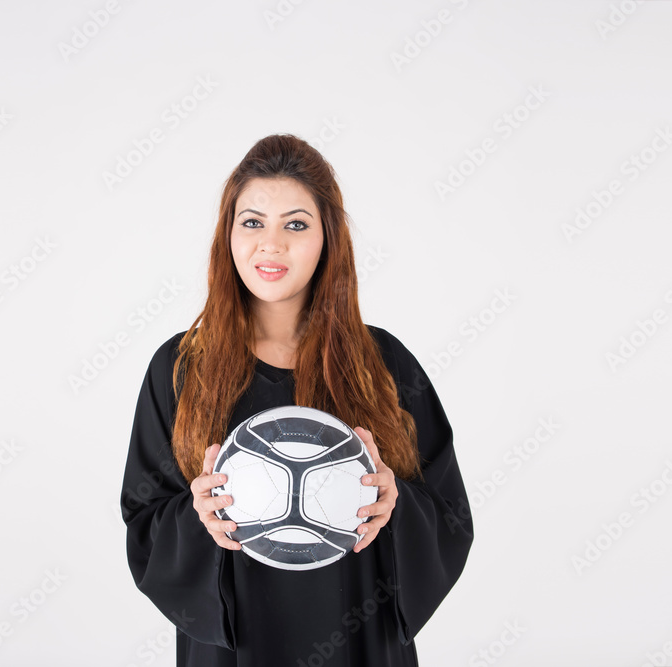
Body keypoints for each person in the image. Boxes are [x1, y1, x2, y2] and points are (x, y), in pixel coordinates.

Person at [119, 133, 473, 666]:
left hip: (359, 641)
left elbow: (450, 520)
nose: (272, 244)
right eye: (253, 221)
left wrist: (394, 503)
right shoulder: (180, 369)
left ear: (328, 237)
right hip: (237, 651)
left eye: (297, 224)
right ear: (228, 234)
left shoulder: (385, 364)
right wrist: (198, 518)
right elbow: (145, 521)